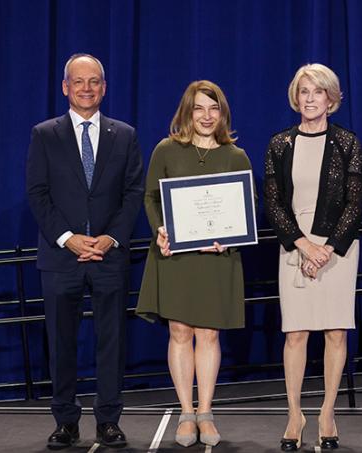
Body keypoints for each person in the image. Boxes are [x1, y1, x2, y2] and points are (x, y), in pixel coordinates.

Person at [26, 53, 144, 449]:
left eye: (94, 81)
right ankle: (66, 421)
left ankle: (109, 420)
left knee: (111, 342)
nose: (86, 88)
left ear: (104, 88)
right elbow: (37, 194)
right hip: (62, 258)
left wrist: (110, 238)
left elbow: (133, 194)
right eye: (79, 81)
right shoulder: (44, 134)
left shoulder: (124, 135)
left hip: (109, 256)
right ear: (65, 87)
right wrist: (68, 238)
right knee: (61, 343)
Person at [135, 80, 251, 448]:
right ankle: (186, 413)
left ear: (222, 113)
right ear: (187, 112)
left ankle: (206, 411)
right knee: (180, 333)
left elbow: (246, 211)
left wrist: (228, 237)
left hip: (216, 259)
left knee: (209, 334)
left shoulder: (236, 156)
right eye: (199, 108)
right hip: (175, 257)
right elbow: (151, 197)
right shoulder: (166, 150)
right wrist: (160, 231)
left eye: (213, 109)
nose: (206, 116)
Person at [264, 63, 362, 451]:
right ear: (296, 97)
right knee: (296, 334)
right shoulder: (279, 144)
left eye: (317, 92)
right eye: (303, 92)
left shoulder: (349, 143)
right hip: (294, 247)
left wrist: (325, 250)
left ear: (331, 99)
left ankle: (327, 412)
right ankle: (294, 414)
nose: (309, 99)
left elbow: (355, 204)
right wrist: (302, 245)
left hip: (338, 250)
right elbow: (272, 203)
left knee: (336, 332)